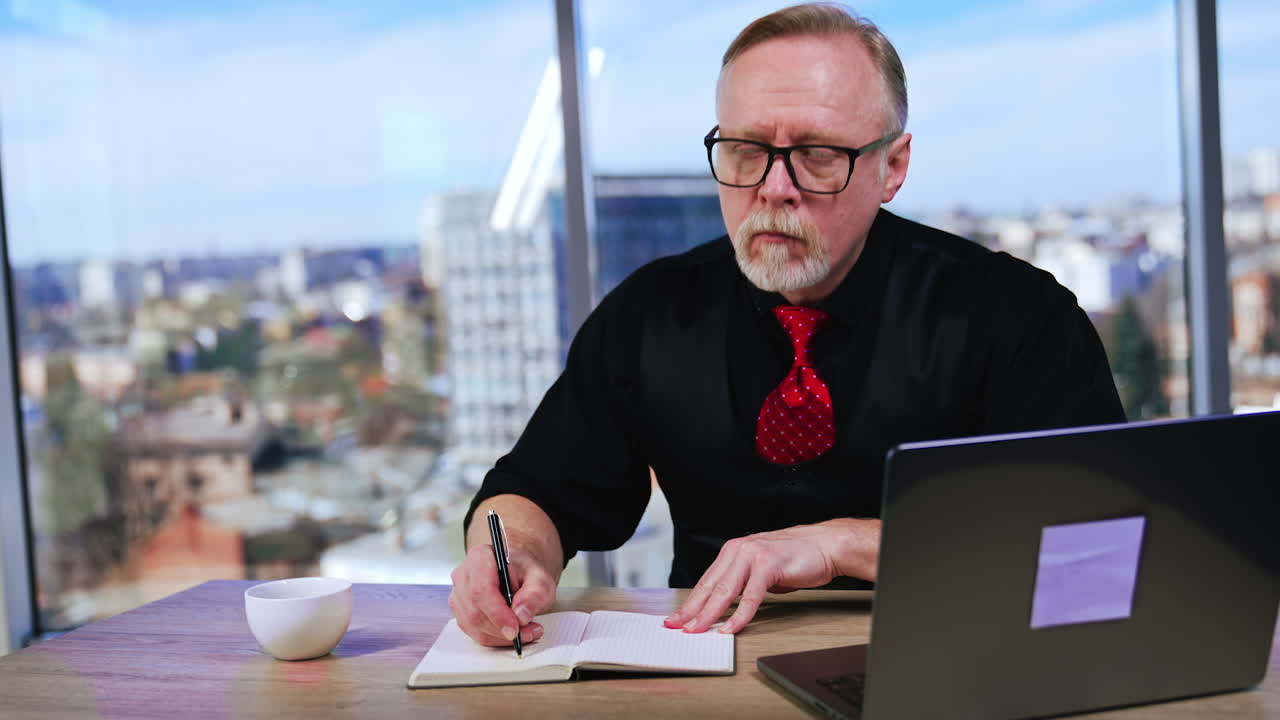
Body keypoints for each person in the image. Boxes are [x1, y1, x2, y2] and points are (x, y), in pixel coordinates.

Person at [448, 2, 1126, 649]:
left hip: (952, 654)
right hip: (705, 660)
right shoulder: (652, 312)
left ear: (892, 167)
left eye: (818, 154)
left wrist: (843, 545)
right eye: (745, 150)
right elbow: (536, 489)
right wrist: (510, 557)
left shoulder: (1017, 316)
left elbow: (1094, 545)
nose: (774, 188)